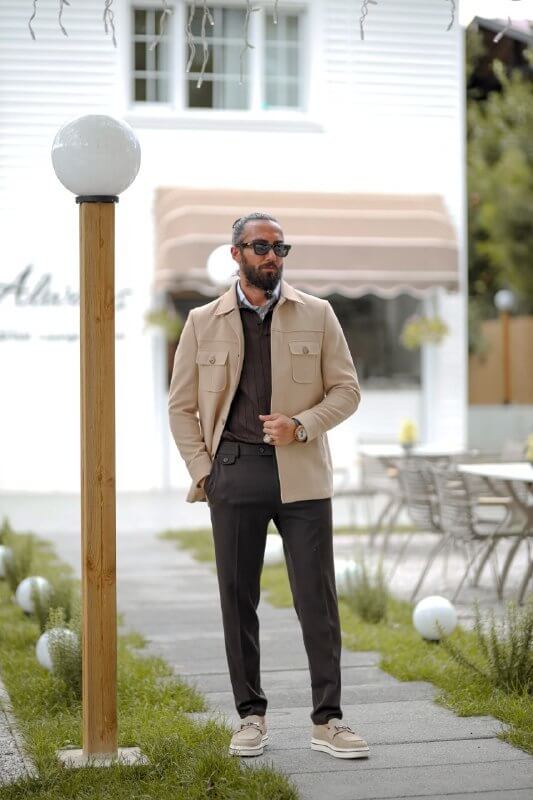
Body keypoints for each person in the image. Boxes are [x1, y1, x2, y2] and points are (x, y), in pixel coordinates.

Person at [168, 211, 369, 760]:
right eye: (261, 246)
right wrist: (203, 470)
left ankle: (328, 722)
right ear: (236, 254)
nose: (272, 256)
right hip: (234, 472)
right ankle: (250, 717)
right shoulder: (201, 321)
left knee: (317, 601)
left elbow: (347, 391)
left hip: (302, 472)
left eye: (280, 247)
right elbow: (181, 407)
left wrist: (302, 425)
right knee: (238, 599)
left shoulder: (319, 314)